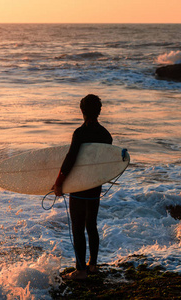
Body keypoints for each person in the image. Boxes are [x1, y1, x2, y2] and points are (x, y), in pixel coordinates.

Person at [52, 94, 112, 280]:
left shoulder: (80, 133)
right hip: (94, 185)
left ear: (82, 111)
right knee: (91, 224)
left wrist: (59, 182)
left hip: (79, 185)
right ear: (99, 111)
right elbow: (106, 163)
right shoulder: (105, 135)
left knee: (78, 226)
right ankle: (93, 265)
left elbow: (70, 160)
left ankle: (80, 271)